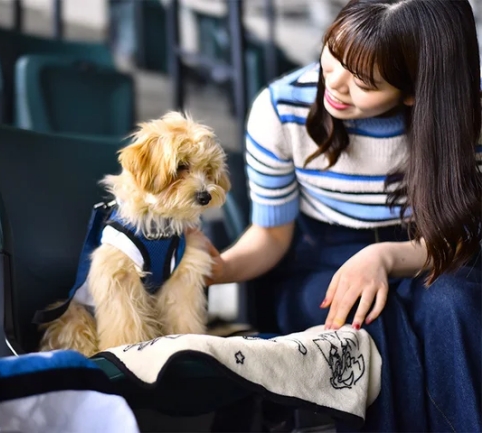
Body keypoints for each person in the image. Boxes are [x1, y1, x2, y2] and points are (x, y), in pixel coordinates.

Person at [203, 0, 482, 430]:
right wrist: (214, 268)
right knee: (367, 318)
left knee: (456, 304)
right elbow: (271, 237)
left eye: (364, 82)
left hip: (430, 251)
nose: (333, 83)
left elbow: (459, 236)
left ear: (414, 92)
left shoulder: (465, 119)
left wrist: (383, 258)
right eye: (334, 53)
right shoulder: (282, 110)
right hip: (319, 257)